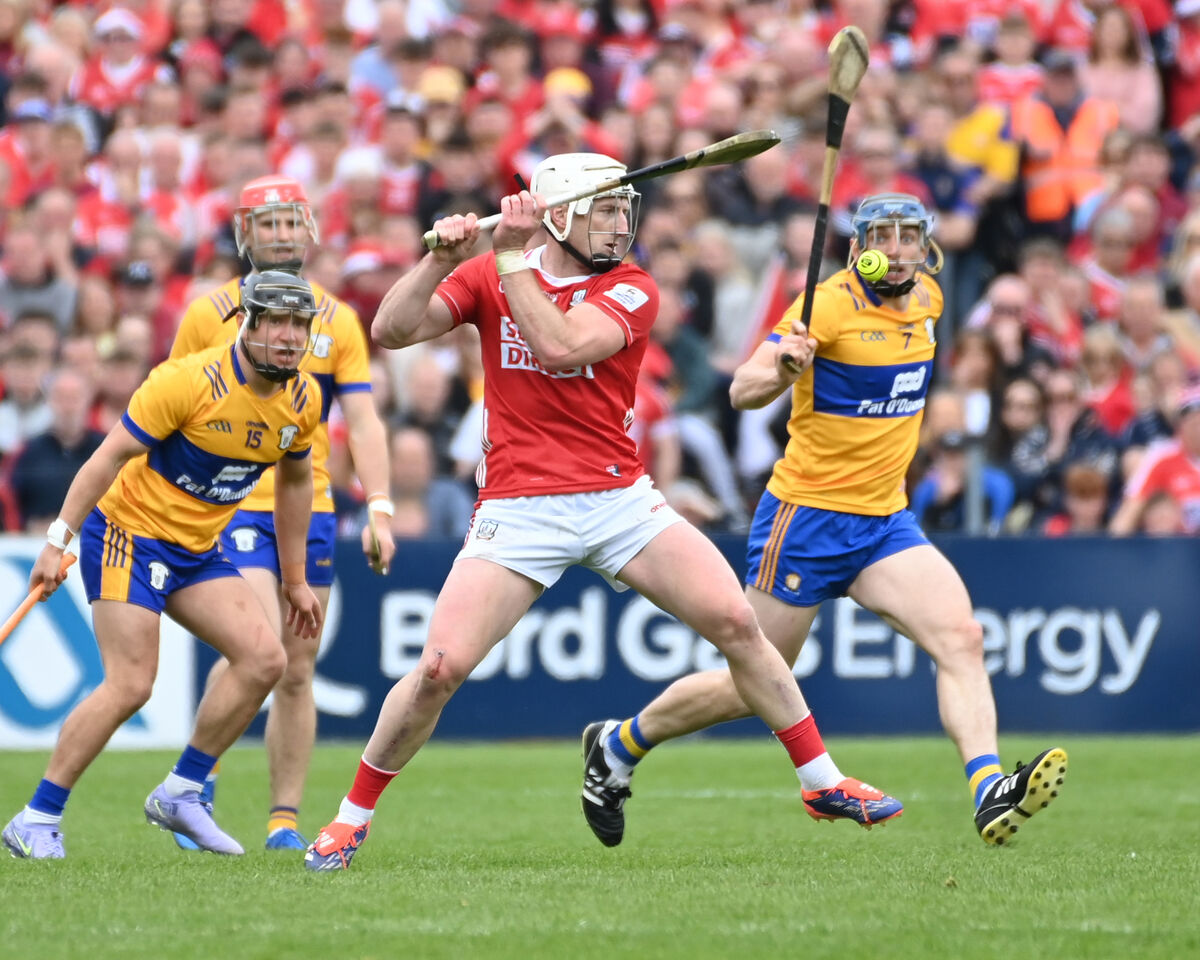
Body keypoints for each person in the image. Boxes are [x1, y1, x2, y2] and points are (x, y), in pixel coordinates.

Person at [303, 153, 900, 872]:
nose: (622, 225)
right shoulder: (496, 269)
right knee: (436, 668)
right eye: (605, 211)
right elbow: (394, 331)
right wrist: (441, 260)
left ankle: (822, 784)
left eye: (625, 210)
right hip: (518, 506)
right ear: (559, 216)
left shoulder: (632, 287)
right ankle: (350, 819)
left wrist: (504, 257)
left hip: (618, 500)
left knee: (740, 624)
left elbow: (560, 347)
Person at [582, 194, 1068, 848]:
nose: (897, 249)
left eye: (908, 237)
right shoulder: (828, 305)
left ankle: (987, 790)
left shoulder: (929, 300)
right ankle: (619, 743)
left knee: (962, 638)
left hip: (885, 522)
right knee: (750, 682)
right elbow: (742, 389)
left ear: (926, 246)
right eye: (883, 235)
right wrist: (783, 366)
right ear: (859, 243)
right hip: (806, 520)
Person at [1, 272, 324, 860]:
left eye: (298, 324)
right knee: (131, 684)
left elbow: (296, 481)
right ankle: (36, 817)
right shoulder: (187, 381)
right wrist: (57, 539)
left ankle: (182, 790)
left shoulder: (303, 400)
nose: (288, 336)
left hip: (197, 547)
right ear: (249, 323)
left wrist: (295, 580)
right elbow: (108, 457)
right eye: (275, 321)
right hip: (129, 533)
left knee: (265, 659)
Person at [167, 175, 395, 852]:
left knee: (297, 667)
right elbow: (172, 402)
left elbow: (363, 416)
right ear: (244, 235)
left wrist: (379, 504)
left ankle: (283, 821)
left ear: (311, 231)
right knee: (257, 640)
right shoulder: (210, 312)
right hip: (231, 498)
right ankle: (194, 782)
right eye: (267, 225)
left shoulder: (337, 319)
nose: (281, 235)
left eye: (291, 223)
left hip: (311, 503)